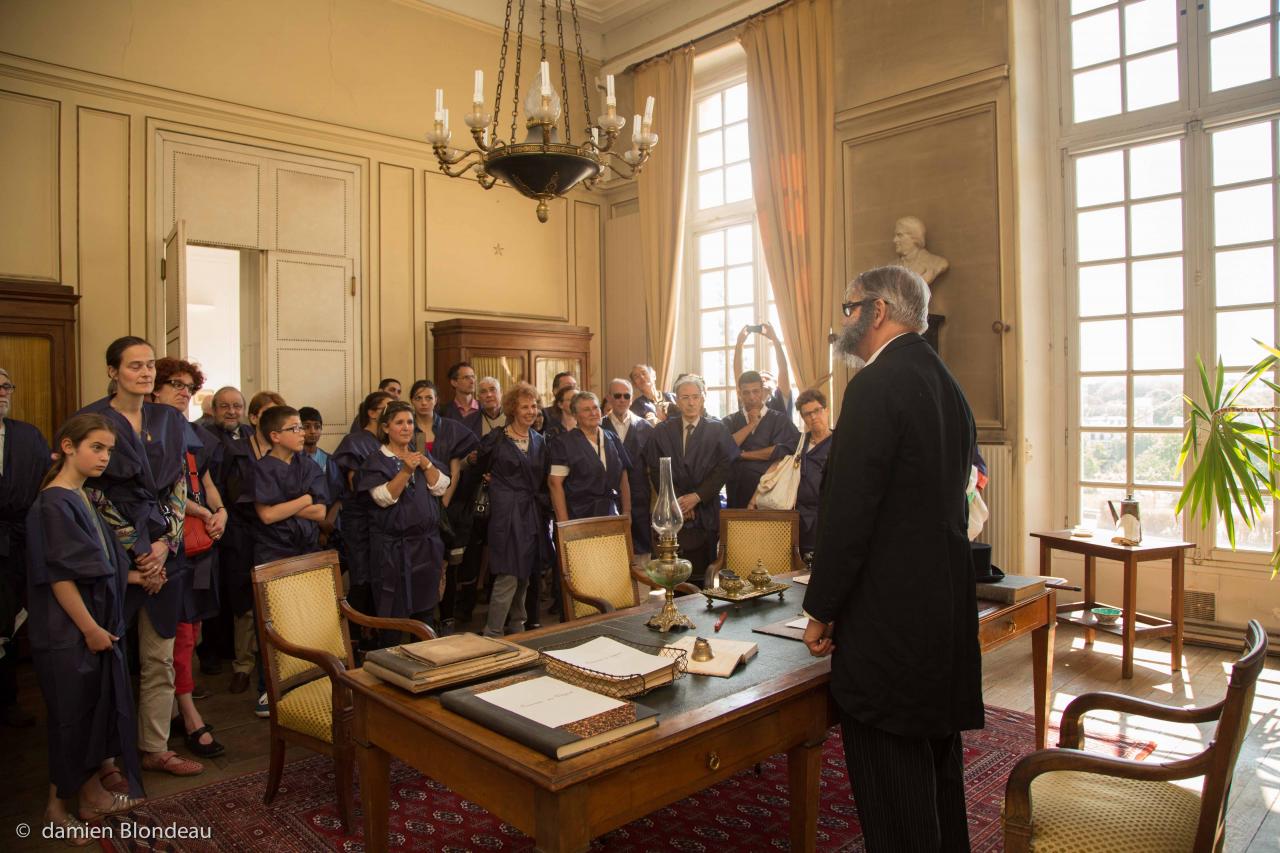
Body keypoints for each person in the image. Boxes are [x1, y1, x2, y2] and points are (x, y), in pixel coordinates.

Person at [802, 265, 981, 852]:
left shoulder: (876, 385)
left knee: (891, 785)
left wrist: (822, 608)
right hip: (940, 616)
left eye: (850, 309)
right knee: (936, 773)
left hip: (889, 626)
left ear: (877, 311)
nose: (844, 322)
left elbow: (850, 513)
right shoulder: (945, 383)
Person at [78, 336, 202, 778]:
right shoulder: (92, 419)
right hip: (110, 551)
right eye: (135, 366)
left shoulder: (168, 418)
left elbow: (178, 486)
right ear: (113, 371)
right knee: (106, 659)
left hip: (164, 550)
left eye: (150, 365)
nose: (146, 373)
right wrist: (136, 546)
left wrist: (165, 543)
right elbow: (90, 490)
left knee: (160, 656)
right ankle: (105, 760)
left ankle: (155, 746)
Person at [28, 414, 145, 838]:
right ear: (67, 446)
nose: (104, 456)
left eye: (109, 449)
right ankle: (55, 809)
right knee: (70, 718)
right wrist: (90, 629)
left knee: (92, 716)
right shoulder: (55, 501)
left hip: (93, 626)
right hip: (68, 632)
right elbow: (60, 576)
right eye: (96, 447)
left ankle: (90, 794)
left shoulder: (82, 496)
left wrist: (137, 576)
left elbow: (100, 565)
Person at [153, 358, 227, 759]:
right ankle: (186, 712)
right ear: (155, 390)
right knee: (177, 635)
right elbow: (152, 496)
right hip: (168, 544)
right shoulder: (145, 433)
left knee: (193, 631)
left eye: (188, 385)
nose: (183, 391)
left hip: (200, 547)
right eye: (174, 384)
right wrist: (198, 512)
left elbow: (206, 482)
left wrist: (221, 511)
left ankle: (180, 705)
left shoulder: (195, 435)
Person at [355, 401, 450, 634]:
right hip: (393, 551)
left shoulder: (421, 456)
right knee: (394, 616)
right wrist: (406, 470)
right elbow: (384, 497)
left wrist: (425, 463)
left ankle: (427, 665)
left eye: (410, 422)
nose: (407, 427)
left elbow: (441, 486)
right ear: (386, 428)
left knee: (425, 613)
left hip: (425, 548)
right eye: (399, 422)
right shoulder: (376, 461)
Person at [642, 376, 738, 585]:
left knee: (702, 575)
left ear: (703, 399)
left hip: (705, 509)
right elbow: (656, 470)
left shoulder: (717, 429)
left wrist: (697, 497)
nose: (691, 402)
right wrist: (678, 502)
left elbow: (724, 468)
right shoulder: (662, 431)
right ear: (677, 400)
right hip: (672, 511)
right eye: (685, 397)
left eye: (695, 397)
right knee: (673, 575)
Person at [475, 382, 551, 638]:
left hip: (531, 516)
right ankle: (492, 633)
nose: (531, 411)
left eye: (534, 406)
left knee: (526, 576)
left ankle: (518, 627)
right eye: (524, 406)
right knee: (508, 575)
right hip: (505, 515)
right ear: (512, 409)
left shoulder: (540, 440)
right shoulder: (496, 439)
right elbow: (478, 469)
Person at [0, 367, 50, 729]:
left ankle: (8, 701)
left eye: (6, 385)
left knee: (11, 622)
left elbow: (45, 487)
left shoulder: (28, 436)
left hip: (19, 543)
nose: (2, 391)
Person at [406, 380, 479, 623]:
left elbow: (455, 470)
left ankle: (446, 617)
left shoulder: (451, 428)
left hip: (448, 504)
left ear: (436, 400)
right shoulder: (406, 428)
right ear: (412, 402)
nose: (424, 402)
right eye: (419, 398)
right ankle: (418, 621)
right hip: (414, 503)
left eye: (429, 397)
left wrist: (444, 501)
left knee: (447, 564)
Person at [199, 387, 256, 688]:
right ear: (213, 409)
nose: (231, 412)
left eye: (237, 406)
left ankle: (239, 657)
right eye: (224, 406)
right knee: (211, 589)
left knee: (239, 590)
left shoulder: (251, 436)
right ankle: (209, 651)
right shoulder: (202, 437)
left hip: (244, 527)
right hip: (209, 520)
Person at [332, 391, 393, 624]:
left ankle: (379, 629)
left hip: (386, 519)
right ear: (372, 412)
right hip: (361, 519)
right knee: (362, 576)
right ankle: (358, 634)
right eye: (386, 408)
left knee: (383, 575)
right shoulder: (355, 442)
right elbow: (355, 483)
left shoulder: (388, 441)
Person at [752, 389, 832, 564]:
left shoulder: (838, 443)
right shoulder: (799, 441)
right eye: (807, 414)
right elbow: (776, 462)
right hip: (795, 517)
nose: (813, 417)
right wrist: (754, 500)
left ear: (826, 410)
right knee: (795, 567)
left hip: (825, 517)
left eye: (817, 411)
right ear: (803, 418)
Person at [548, 392, 631, 523]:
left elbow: (623, 475)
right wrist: (564, 524)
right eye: (586, 410)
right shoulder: (563, 443)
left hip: (612, 514)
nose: (593, 413)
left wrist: (627, 512)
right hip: (579, 516)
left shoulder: (612, 437)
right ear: (575, 415)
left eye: (595, 408)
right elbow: (554, 484)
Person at [722, 370, 800, 508]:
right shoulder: (730, 421)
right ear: (739, 394)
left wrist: (742, 454)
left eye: (756, 391)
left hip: (769, 495)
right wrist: (752, 424)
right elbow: (726, 449)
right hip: (736, 494)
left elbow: (783, 451)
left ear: (762, 391)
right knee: (737, 529)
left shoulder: (779, 420)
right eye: (746, 392)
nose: (752, 397)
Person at [601, 377, 655, 558]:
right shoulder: (599, 426)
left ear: (632, 399)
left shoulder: (645, 427)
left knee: (641, 548)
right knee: (610, 549)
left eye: (626, 396)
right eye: (617, 396)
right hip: (606, 496)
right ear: (608, 398)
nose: (622, 400)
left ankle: (642, 587)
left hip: (640, 496)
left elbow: (653, 466)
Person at [298, 406, 342, 547]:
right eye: (307, 427)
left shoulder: (329, 460)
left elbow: (339, 495)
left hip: (330, 526)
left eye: (317, 427)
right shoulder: (293, 461)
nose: (313, 431)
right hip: (303, 526)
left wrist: (328, 523)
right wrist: (318, 524)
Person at [732, 323, 793, 415]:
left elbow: (783, 369)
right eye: (760, 379)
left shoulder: (781, 399)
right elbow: (738, 375)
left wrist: (775, 340)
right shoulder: (748, 398)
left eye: (767, 378)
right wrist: (739, 344)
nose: (763, 379)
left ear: (776, 385)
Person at [892, 215, 949, 285]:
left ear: (915, 237)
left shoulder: (936, 262)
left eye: (899, 235)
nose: (894, 240)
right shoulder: (891, 268)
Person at [440, 362, 483, 435]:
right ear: (454, 382)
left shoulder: (483, 408)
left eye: (473, 377)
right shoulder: (443, 412)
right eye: (466, 377)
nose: (472, 381)